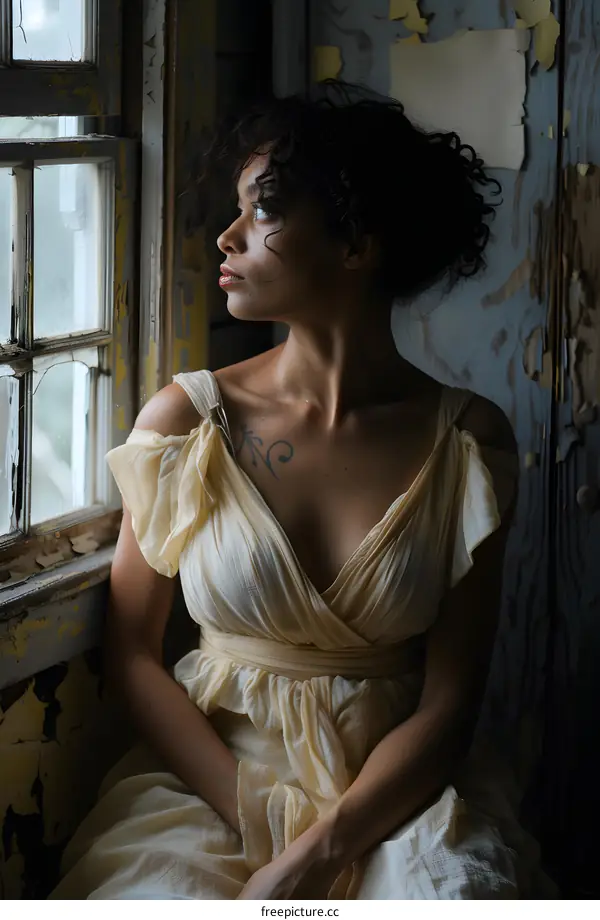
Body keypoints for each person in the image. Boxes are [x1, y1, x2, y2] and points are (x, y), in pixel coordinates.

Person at [50, 82, 554, 900]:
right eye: (237, 209)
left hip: (395, 801)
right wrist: (259, 819)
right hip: (209, 787)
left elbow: (451, 704)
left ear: (356, 243)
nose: (227, 235)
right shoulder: (189, 421)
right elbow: (133, 655)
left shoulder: (466, 442)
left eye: (265, 210)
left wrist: (319, 853)